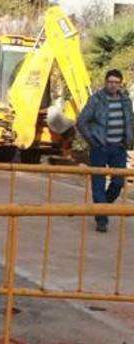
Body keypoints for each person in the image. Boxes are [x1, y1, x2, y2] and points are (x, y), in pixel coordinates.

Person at [77, 69, 134, 232]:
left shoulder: (126, 101)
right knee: (98, 184)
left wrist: (128, 139)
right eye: (110, 82)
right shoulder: (96, 100)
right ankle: (102, 220)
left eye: (116, 82)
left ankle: (102, 207)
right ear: (105, 82)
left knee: (118, 182)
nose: (113, 85)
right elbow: (81, 122)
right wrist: (93, 141)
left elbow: (130, 120)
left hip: (119, 148)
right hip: (100, 148)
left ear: (120, 84)